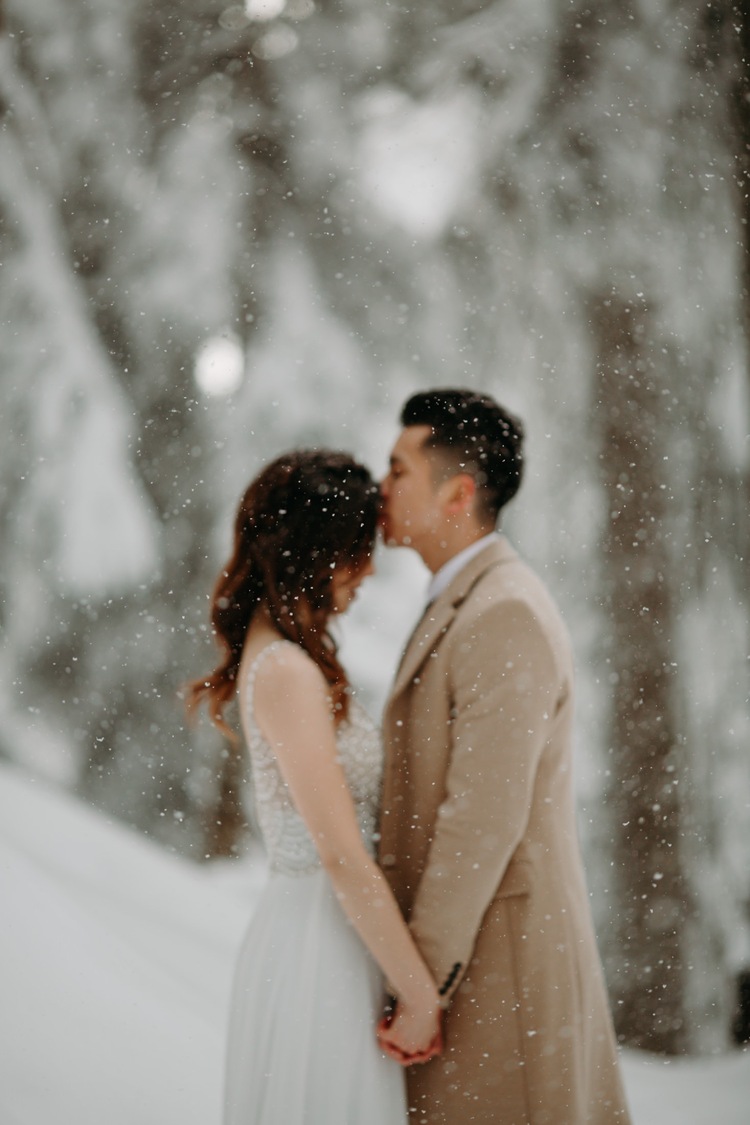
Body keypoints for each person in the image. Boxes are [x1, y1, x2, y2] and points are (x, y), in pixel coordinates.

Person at [377, 390, 632, 1124]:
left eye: (398, 471)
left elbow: (482, 818)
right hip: (477, 968)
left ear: (457, 494)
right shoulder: (465, 599)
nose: (381, 486)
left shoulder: (504, 611)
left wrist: (423, 981)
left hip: (500, 974)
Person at [186, 450, 442, 1125]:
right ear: (315, 550)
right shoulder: (287, 672)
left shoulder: (288, 658)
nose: (369, 569)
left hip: (329, 934)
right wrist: (420, 994)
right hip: (317, 945)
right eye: (358, 549)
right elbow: (340, 854)